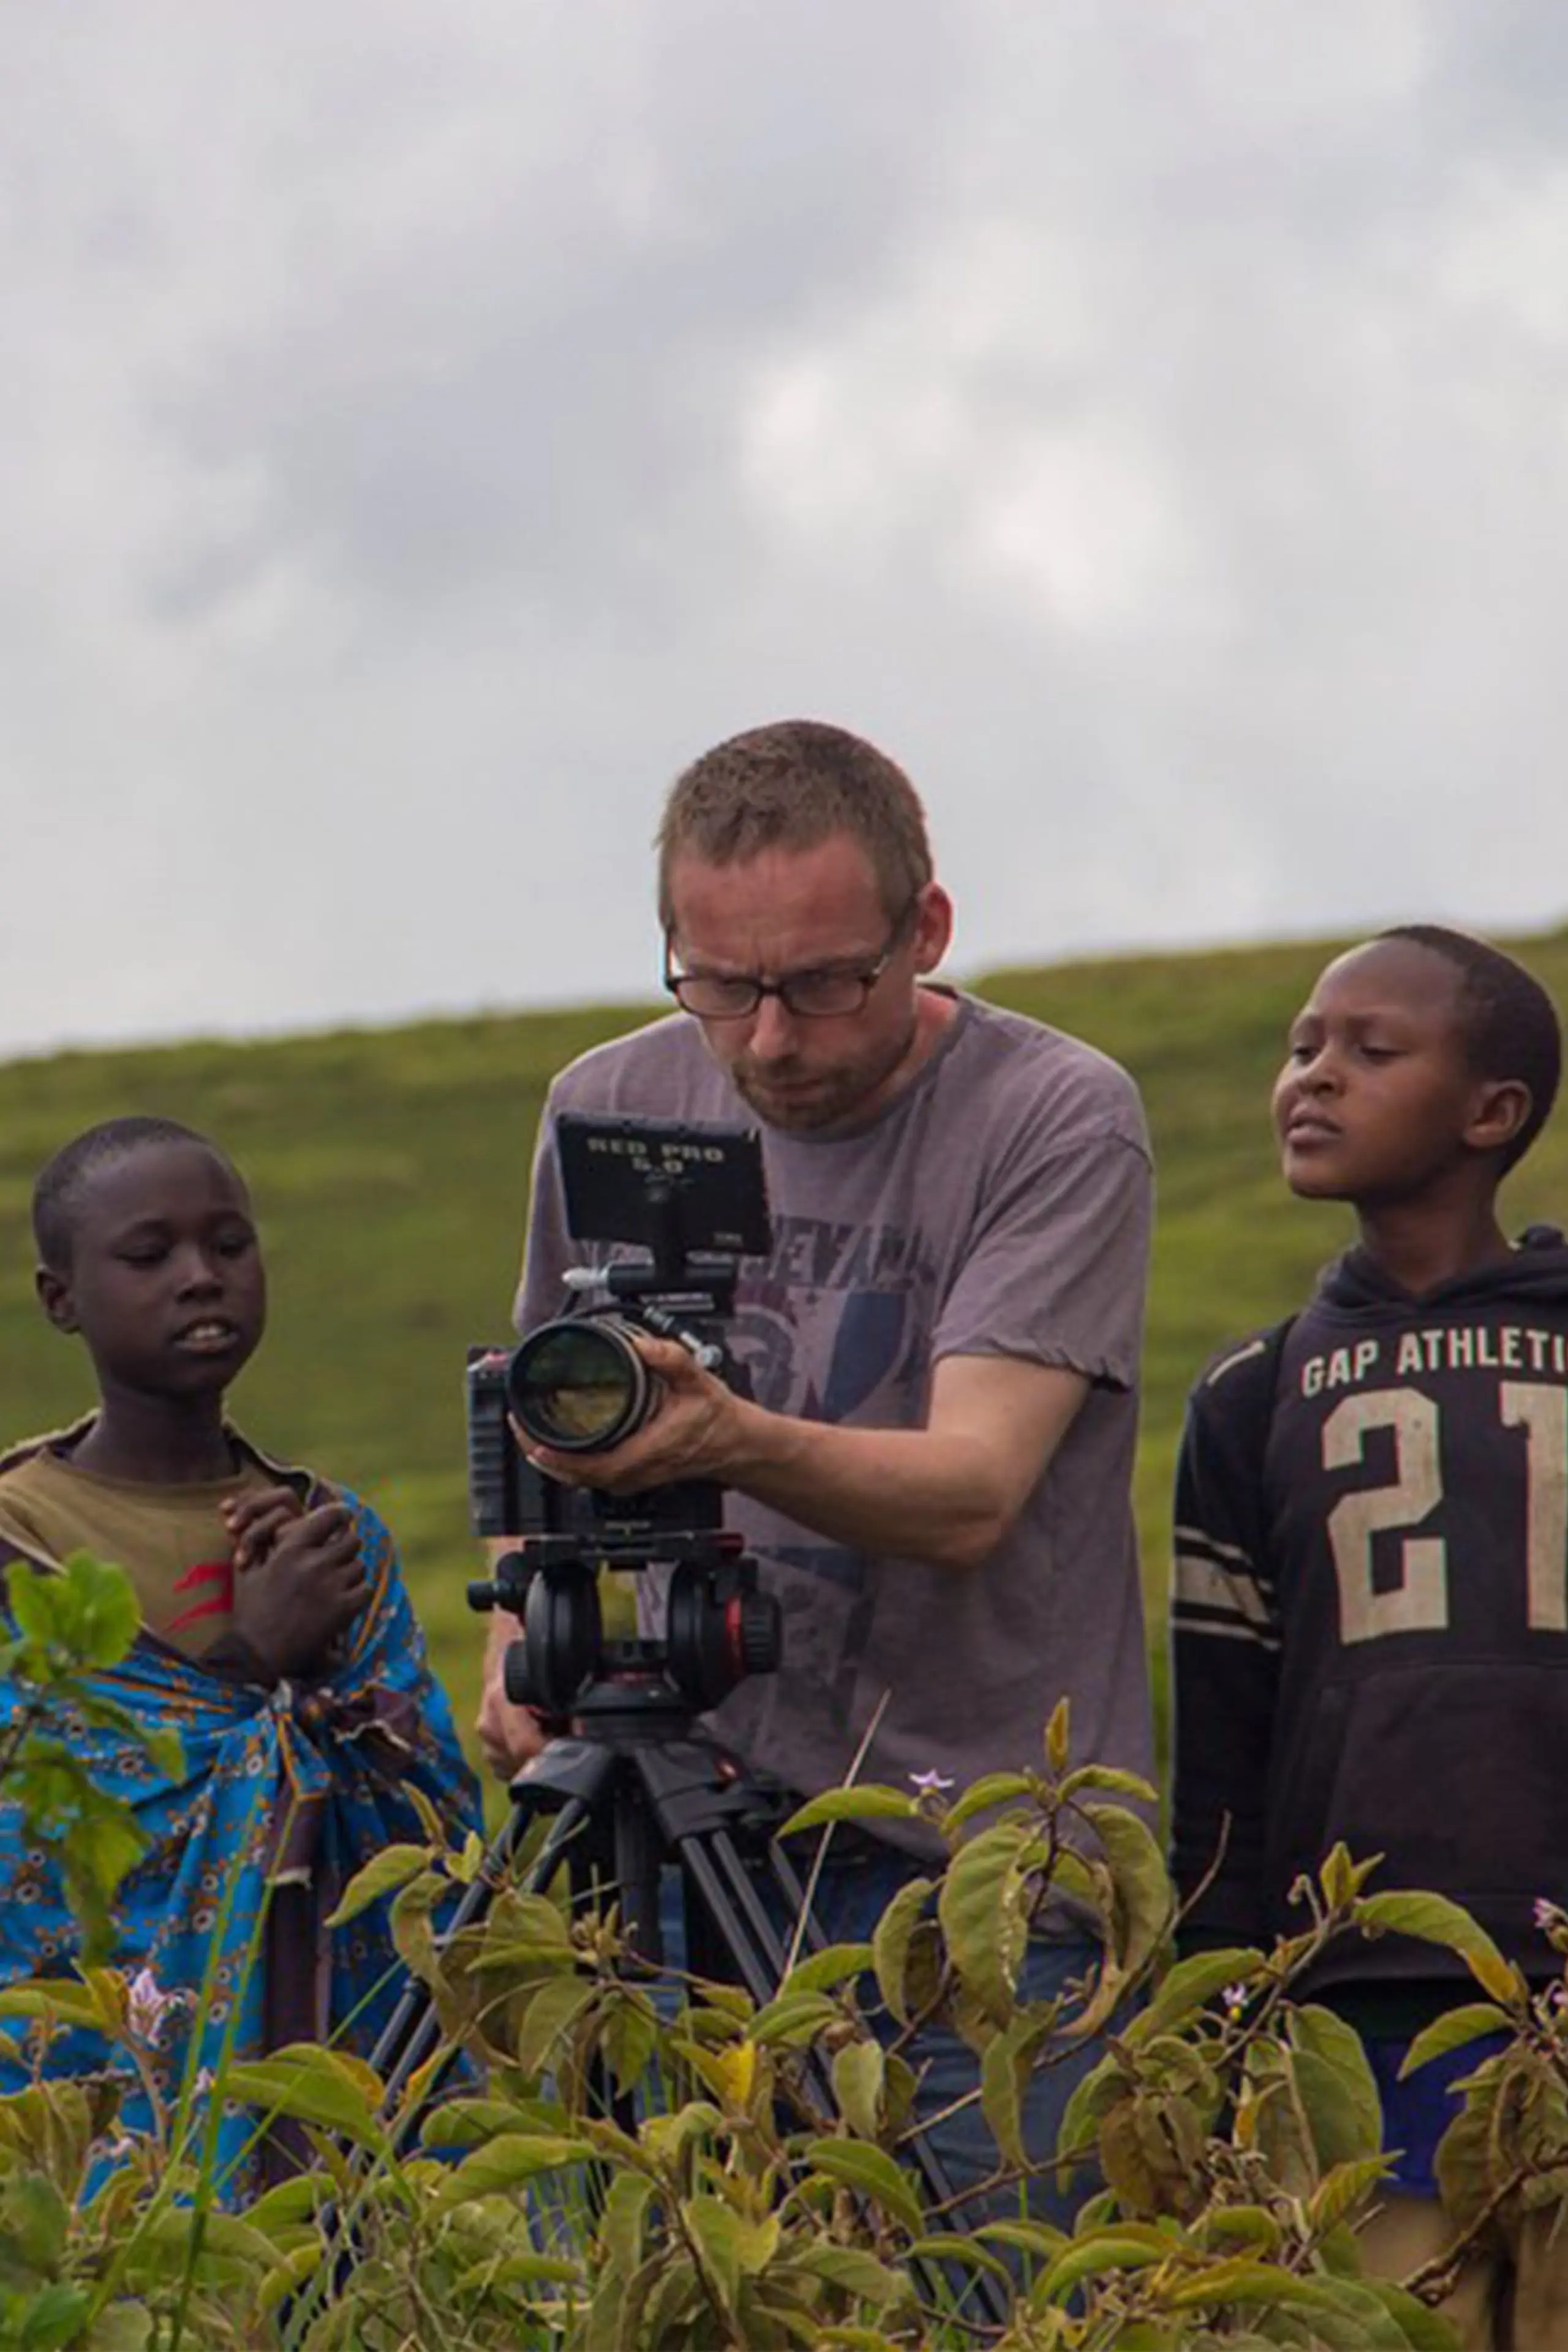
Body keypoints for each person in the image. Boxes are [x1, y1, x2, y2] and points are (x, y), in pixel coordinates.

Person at [478, 717, 1155, 2217]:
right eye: (719, 986)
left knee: (988, 2306)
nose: (769, 1041)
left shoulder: (1050, 1116)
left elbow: (972, 1491)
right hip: (659, 1834)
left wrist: (723, 1436)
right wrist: (518, 1623)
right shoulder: (611, 1103)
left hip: (969, 1873)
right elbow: (553, 1419)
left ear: (925, 930)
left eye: (818, 985)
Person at [1169, 925, 1568, 2349]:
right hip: (1351, 2015)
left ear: (1490, 1113)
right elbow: (1220, 1738)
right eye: (1299, 1047)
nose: (1311, 1077)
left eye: (1368, 1051)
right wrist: (1213, 2009)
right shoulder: (1247, 1397)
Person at [0, 1115, 481, 2188]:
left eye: (229, 1244)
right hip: (70, 2109)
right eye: (148, 1254)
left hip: (330, 2084)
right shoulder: (18, 1543)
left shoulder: (327, 1534)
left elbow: (436, 1827)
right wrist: (248, 1658)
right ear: (60, 1299)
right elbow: (31, 1837)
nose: (199, 1278)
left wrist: (319, 1686)